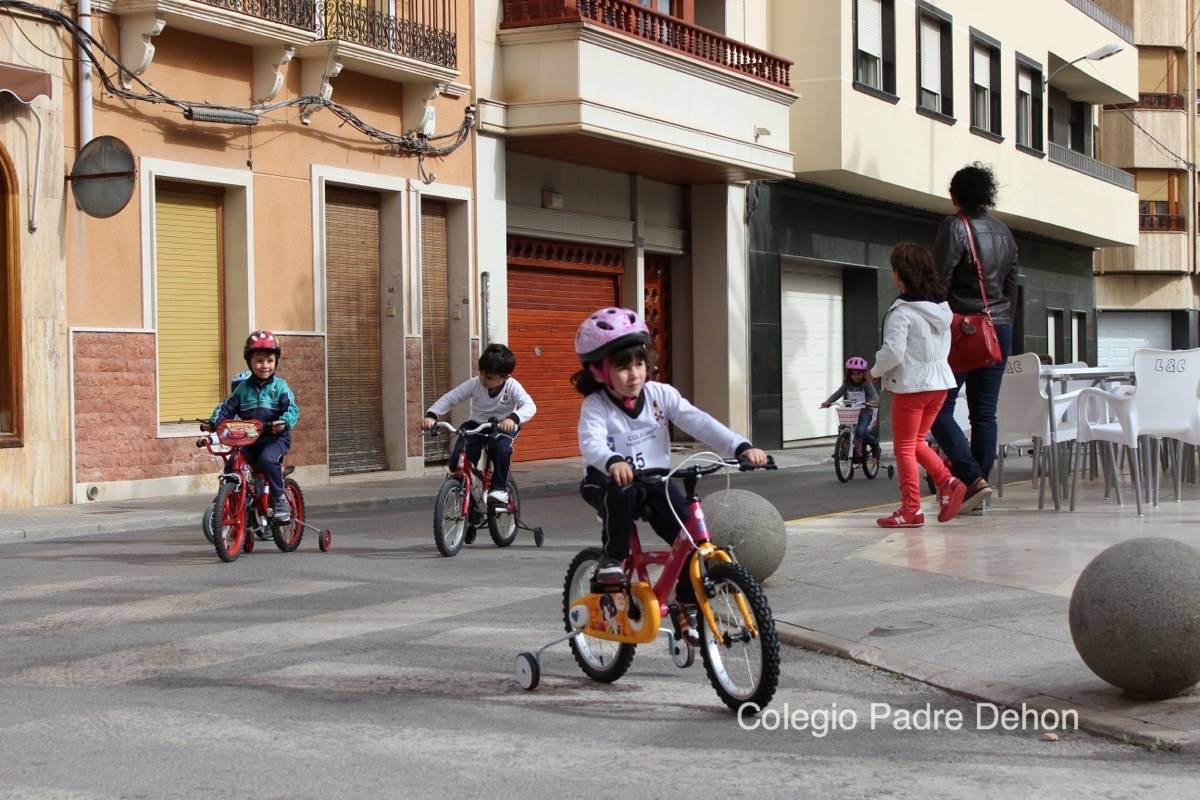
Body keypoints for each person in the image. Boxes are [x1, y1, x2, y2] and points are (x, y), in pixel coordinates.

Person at [573, 306, 769, 599]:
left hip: (655, 481)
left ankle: (689, 611)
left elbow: (700, 422)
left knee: (689, 542)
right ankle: (612, 559)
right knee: (622, 491)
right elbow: (591, 442)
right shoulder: (596, 406)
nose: (635, 374)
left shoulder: (660, 395)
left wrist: (741, 446)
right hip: (606, 480)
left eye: (639, 364)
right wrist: (612, 460)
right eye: (623, 367)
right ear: (600, 372)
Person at [930, 162, 1019, 514]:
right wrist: (1000, 319)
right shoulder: (1004, 232)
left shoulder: (954, 228)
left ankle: (972, 480)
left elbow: (938, 281)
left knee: (938, 408)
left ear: (956, 195)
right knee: (985, 414)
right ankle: (977, 489)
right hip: (999, 328)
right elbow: (1012, 285)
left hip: (961, 328)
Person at [871, 244, 967, 528]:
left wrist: (874, 370)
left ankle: (911, 509)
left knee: (903, 448)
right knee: (916, 443)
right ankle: (947, 482)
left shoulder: (902, 312)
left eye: (893, 268)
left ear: (901, 274)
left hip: (912, 386)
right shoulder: (941, 309)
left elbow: (893, 352)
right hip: (939, 384)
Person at [422, 344, 536, 505]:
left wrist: (513, 418)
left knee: (502, 449)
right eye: (481, 373)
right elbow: (452, 397)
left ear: (505, 377)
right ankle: (469, 496)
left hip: (502, 427)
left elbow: (530, 406)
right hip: (476, 425)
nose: (483, 379)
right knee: (457, 462)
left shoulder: (512, 386)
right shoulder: (475, 383)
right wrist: (432, 415)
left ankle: (500, 488)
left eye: (489, 377)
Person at [206, 330, 300, 523]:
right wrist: (213, 422)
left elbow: (292, 409)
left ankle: (280, 499)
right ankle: (236, 502)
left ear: (275, 362)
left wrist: (284, 422)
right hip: (249, 439)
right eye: (259, 361)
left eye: (269, 360)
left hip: (274, 438)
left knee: (267, 459)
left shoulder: (280, 387)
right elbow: (225, 408)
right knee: (233, 464)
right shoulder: (242, 389)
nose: (264, 365)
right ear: (249, 362)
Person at [820, 356, 880, 458]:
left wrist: (873, 401)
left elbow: (874, 395)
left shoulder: (866, 384)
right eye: (853, 374)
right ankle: (843, 450)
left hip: (865, 413)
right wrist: (828, 402)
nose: (856, 376)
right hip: (851, 413)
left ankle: (874, 445)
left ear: (863, 373)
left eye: (859, 374)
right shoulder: (847, 384)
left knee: (860, 432)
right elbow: (838, 393)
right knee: (842, 428)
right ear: (849, 374)